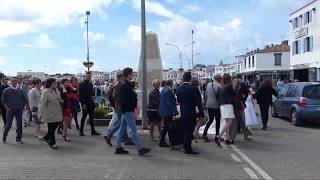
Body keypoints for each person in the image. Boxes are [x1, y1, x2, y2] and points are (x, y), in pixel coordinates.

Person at [115, 67, 151, 156]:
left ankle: (118, 147)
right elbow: (125, 100)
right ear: (128, 74)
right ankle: (140, 148)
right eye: (132, 74)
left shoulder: (126, 85)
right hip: (128, 111)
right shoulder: (126, 86)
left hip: (126, 110)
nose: (133, 75)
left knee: (122, 128)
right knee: (134, 130)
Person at [176, 71, 204, 155]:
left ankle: (185, 146)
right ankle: (188, 149)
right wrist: (201, 113)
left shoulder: (179, 88)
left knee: (185, 130)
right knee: (189, 130)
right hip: (191, 112)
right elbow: (198, 102)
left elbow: (179, 100)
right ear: (190, 78)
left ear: (184, 79)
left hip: (183, 111)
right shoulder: (193, 89)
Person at [104, 71, 132, 146]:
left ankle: (125, 138)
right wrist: (121, 102)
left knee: (123, 123)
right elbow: (114, 96)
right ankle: (108, 136)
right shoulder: (117, 85)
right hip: (119, 107)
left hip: (119, 106)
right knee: (120, 123)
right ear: (121, 77)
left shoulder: (119, 84)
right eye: (123, 76)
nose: (124, 77)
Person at [2, 77, 29, 144]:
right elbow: (3, 101)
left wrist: (27, 107)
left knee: (19, 125)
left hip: (19, 110)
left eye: (15, 81)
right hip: (10, 110)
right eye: (13, 81)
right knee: (8, 125)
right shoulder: (6, 90)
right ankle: (4, 136)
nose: (14, 82)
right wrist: (7, 108)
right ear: (11, 82)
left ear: (17, 82)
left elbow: (25, 99)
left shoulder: (21, 90)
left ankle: (18, 139)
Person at [38, 78, 63, 149]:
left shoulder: (56, 90)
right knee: (51, 129)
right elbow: (42, 103)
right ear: (51, 83)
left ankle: (46, 137)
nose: (56, 84)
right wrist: (40, 114)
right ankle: (52, 143)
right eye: (54, 82)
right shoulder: (45, 91)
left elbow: (59, 97)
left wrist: (61, 100)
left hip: (57, 112)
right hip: (49, 113)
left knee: (55, 126)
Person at [79, 72, 100, 136]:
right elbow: (81, 95)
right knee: (84, 117)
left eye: (90, 76)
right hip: (85, 103)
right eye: (88, 76)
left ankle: (93, 131)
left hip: (91, 103)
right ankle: (81, 131)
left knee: (91, 117)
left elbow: (91, 93)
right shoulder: (82, 84)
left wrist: (93, 96)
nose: (89, 77)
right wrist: (83, 104)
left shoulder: (91, 84)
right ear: (85, 76)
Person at [217, 74, 237, 145]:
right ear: (229, 79)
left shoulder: (221, 86)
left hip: (222, 105)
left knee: (226, 122)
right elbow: (235, 94)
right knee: (229, 122)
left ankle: (228, 138)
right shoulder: (229, 86)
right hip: (228, 105)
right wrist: (234, 86)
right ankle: (219, 136)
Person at [159, 80, 178, 148]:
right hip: (168, 112)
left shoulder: (163, 90)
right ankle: (163, 141)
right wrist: (174, 110)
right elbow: (169, 103)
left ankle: (169, 141)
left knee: (167, 127)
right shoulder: (169, 91)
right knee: (167, 127)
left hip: (163, 111)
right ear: (170, 84)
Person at [203, 75, 221, 146]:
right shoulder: (219, 85)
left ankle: (205, 133)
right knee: (217, 121)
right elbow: (220, 96)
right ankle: (217, 136)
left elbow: (206, 94)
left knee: (210, 120)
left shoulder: (208, 85)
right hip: (216, 105)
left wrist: (205, 103)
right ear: (218, 79)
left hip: (209, 104)